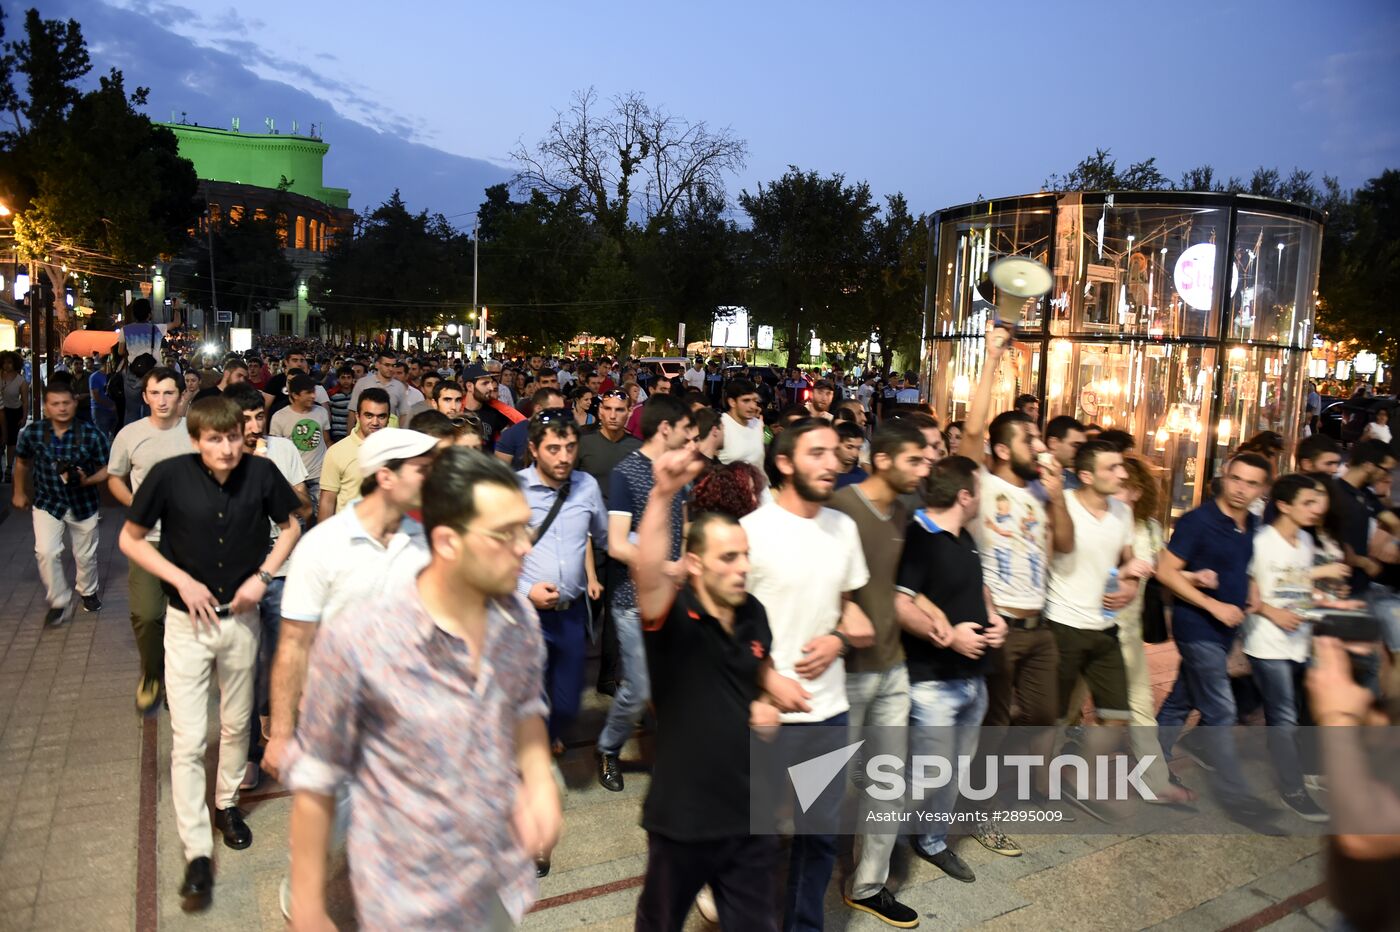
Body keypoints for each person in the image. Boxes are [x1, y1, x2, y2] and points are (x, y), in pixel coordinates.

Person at [285, 449, 561, 930]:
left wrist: (538, 780)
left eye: (525, 528)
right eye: (505, 535)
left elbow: (526, 707)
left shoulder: (519, 620)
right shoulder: (360, 641)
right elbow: (316, 780)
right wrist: (309, 907)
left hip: (496, 881)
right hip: (405, 898)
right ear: (448, 542)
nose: (525, 548)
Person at [119, 397, 301, 910]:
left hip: (239, 620)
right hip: (186, 623)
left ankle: (226, 806)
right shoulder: (169, 476)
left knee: (237, 724)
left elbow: (291, 527)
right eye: (215, 439)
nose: (226, 448)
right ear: (196, 440)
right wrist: (181, 580)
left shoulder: (262, 474)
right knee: (190, 736)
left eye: (234, 438)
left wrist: (263, 577)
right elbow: (131, 540)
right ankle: (197, 850)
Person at [629, 450, 796, 932]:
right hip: (683, 818)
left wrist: (767, 699)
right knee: (659, 922)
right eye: (728, 557)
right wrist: (662, 494)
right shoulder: (673, 617)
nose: (742, 567)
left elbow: (755, 671)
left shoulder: (754, 613)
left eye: (745, 555)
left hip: (749, 812)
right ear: (697, 565)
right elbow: (647, 573)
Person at [741, 418, 874, 931]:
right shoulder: (753, 532)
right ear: (783, 463)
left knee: (818, 837)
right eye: (816, 453)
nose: (832, 462)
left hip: (827, 714)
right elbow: (721, 630)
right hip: (766, 714)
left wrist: (839, 639)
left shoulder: (843, 528)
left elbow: (852, 615)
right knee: (756, 837)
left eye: (834, 453)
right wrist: (763, 681)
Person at [957, 325, 1072, 854]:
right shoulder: (986, 483)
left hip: (1039, 625)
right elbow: (974, 430)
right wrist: (992, 357)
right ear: (1002, 450)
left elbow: (1064, 546)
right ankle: (979, 811)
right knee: (997, 726)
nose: (1040, 445)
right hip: (999, 623)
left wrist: (1057, 497)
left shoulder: (1041, 493)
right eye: (1029, 438)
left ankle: (979, 790)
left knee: (1044, 718)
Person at [830, 420, 931, 925]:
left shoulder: (909, 511)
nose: (925, 468)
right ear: (884, 459)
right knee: (820, 786)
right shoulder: (841, 508)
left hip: (893, 669)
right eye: (915, 459)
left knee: (887, 783)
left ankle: (866, 885)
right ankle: (763, 864)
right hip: (843, 674)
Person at [894, 455, 1007, 884]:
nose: (985, 498)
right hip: (933, 681)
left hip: (973, 678)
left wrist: (995, 617)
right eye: (980, 490)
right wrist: (948, 636)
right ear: (964, 496)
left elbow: (976, 586)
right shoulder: (920, 537)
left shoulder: (964, 537)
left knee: (955, 768)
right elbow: (901, 602)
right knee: (924, 774)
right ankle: (878, 841)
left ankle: (932, 839)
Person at [1155, 452, 1277, 829]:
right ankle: (1237, 797)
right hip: (1197, 628)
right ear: (1224, 475)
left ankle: (1147, 769)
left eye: (1251, 483)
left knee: (1179, 702)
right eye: (1236, 478)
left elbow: (1250, 567)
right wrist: (1212, 604)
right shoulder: (1199, 521)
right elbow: (1165, 571)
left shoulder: (1254, 526)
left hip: (1227, 632)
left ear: (1263, 488)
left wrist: (1253, 589)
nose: (1241, 488)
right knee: (1221, 709)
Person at [598, 394, 696, 791]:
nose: (693, 436)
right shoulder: (627, 473)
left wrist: (687, 560)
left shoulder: (678, 470)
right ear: (666, 429)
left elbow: (685, 528)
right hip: (631, 601)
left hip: (673, 598)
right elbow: (617, 543)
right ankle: (607, 747)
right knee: (638, 688)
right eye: (687, 429)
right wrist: (662, 566)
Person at [1245, 473, 1350, 822]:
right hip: (1266, 641)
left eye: (1316, 502)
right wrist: (1315, 580)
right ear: (1284, 505)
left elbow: (1297, 593)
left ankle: (1201, 739)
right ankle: (1293, 789)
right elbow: (1252, 592)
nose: (1315, 509)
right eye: (1307, 502)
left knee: (1281, 709)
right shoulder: (1262, 542)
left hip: (1297, 641)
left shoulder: (1305, 541)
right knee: (1284, 718)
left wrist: (1318, 603)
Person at [225, 384, 311, 790]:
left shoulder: (283, 451)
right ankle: (246, 755)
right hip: (240, 577)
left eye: (259, 416)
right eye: (245, 419)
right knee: (245, 666)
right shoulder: (218, 456)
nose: (255, 426)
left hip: (283, 574)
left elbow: (304, 507)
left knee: (282, 661)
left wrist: (268, 473)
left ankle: (280, 738)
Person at [517, 412, 608, 755]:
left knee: (569, 703)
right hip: (526, 616)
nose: (565, 457)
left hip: (571, 616)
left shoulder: (586, 486)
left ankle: (549, 730)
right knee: (529, 693)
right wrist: (526, 591)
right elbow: (491, 560)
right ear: (534, 449)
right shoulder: (514, 490)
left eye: (570, 447)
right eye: (553, 448)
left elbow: (605, 536)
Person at [106, 367, 190, 712]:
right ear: (144, 397)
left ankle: (178, 680)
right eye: (155, 393)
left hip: (190, 538)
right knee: (145, 613)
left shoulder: (196, 433)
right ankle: (151, 674)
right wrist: (136, 505)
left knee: (189, 615)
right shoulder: (129, 434)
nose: (162, 400)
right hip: (148, 539)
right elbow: (114, 478)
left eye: (169, 393)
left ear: (182, 395)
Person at [12, 380, 111, 626]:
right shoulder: (34, 433)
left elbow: (109, 467)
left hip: (83, 503)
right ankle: (58, 601)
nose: (62, 408)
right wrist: (18, 491)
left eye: (66, 403)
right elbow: (22, 462)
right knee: (45, 551)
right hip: (47, 502)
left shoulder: (91, 434)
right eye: (55, 404)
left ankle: (88, 591)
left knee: (85, 555)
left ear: (75, 403)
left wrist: (88, 481)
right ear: (46, 407)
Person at [318, 387, 391, 518]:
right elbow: (327, 501)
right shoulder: (337, 452)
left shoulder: (397, 450)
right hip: (348, 534)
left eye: (381, 416)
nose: (375, 422)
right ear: (357, 416)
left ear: (388, 419)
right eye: (369, 415)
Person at [270, 373, 330, 521]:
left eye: (313, 391)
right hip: (295, 480)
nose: (313, 396)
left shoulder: (321, 412)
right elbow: (276, 452)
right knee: (298, 522)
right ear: (295, 395)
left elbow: (327, 440)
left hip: (318, 475)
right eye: (308, 392)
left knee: (318, 519)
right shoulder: (279, 417)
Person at [117, 298, 163, 425]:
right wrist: (175, 308)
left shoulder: (125, 330)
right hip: (154, 373)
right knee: (152, 409)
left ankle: (131, 440)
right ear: (149, 314)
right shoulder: (158, 329)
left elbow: (120, 352)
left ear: (134, 314)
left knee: (132, 411)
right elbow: (176, 323)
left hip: (133, 373)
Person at [497, 388, 564, 469]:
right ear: (538, 408)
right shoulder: (512, 435)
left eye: (563, 411)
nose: (561, 415)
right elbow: (500, 474)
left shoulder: (565, 433)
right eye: (555, 410)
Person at [348, 350, 407, 428]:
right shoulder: (362, 383)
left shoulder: (399, 387)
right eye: (387, 365)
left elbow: (404, 414)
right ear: (377, 365)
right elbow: (352, 412)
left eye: (393, 365)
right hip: (364, 434)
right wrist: (350, 436)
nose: (391, 369)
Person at [1, 350, 31, 482]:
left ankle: (8, 467)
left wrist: (24, 417)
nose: (7, 365)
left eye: (9, 362)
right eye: (4, 362)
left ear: (15, 364)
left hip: (14, 411)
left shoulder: (21, 381)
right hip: (0, 410)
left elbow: (25, 401)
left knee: (11, 441)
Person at [1044, 415, 1087, 491]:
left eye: (1083, 446)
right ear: (1053, 443)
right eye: (1075, 446)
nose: (1081, 452)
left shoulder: (1080, 479)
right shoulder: (1034, 476)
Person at [833, 420, 868, 489]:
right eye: (849, 447)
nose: (855, 454)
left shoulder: (863, 479)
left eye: (858, 448)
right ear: (835, 444)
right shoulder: (821, 475)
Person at [89, 355, 118, 438]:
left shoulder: (114, 375)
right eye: (111, 362)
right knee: (102, 437)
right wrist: (110, 406)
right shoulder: (95, 377)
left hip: (114, 410)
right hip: (100, 411)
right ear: (106, 363)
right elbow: (95, 396)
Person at [326, 364, 355, 442]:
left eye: (349, 377)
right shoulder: (332, 394)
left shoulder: (357, 394)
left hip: (354, 432)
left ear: (353, 379)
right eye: (343, 378)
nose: (346, 381)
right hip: (337, 434)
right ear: (338, 379)